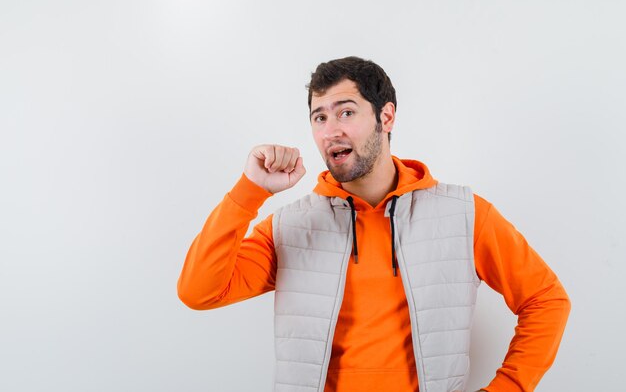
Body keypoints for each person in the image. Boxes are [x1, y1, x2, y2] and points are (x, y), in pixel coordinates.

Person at [177, 56, 570, 392]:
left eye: (346, 111)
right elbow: (199, 292)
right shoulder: (289, 228)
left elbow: (545, 300)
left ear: (386, 116)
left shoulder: (464, 214)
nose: (332, 130)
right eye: (320, 117)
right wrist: (251, 190)